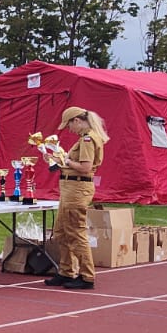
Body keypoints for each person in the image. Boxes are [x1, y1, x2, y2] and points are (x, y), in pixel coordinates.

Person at [44, 106, 108, 290]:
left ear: (77, 121)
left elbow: (85, 167)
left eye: (69, 125)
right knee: (61, 232)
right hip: (70, 188)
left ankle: (87, 276)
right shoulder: (85, 138)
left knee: (75, 232)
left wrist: (65, 160)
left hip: (77, 189)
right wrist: (57, 160)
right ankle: (66, 271)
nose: (69, 129)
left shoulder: (87, 139)